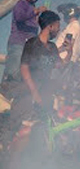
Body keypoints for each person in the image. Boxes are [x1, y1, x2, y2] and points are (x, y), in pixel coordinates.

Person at [7, 11, 73, 142]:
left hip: (44, 95)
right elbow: (24, 68)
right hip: (27, 94)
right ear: (50, 26)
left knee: (39, 132)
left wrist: (69, 50)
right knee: (14, 130)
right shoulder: (32, 43)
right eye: (57, 26)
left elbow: (61, 65)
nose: (59, 30)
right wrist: (34, 92)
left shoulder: (52, 47)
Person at [2, 0, 47, 86]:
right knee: (12, 72)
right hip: (18, 43)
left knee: (21, 74)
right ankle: (5, 92)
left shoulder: (32, 7)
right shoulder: (21, 3)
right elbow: (19, 17)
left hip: (27, 46)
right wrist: (36, 12)